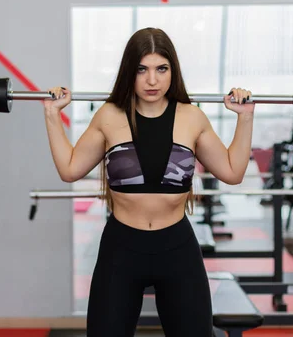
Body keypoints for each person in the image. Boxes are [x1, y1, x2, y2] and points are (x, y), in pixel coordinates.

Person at [42, 27, 254, 336]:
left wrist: (245, 117)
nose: (152, 80)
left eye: (161, 69)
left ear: (172, 70)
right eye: (142, 69)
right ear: (130, 70)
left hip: (177, 247)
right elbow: (70, 169)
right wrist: (51, 115)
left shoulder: (191, 117)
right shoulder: (109, 115)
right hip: (122, 248)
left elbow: (233, 172)